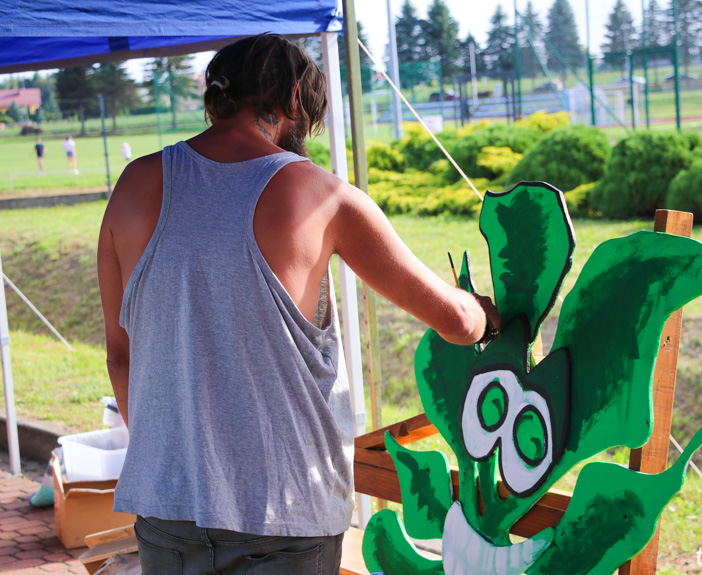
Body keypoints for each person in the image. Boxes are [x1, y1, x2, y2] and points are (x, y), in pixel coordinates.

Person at [97, 34, 499, 575]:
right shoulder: (322, 193)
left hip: (166, 507)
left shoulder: (134, 184)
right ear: (292, 98)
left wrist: (177, 459)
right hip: (284, 510)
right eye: (308, 114)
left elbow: (119, 357)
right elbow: (453, 320)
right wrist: (487, 314)